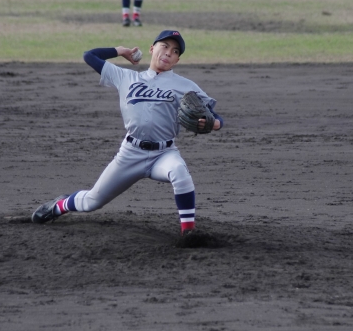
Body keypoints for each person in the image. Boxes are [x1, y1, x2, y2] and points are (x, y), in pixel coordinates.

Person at [31, 30, 223, 236]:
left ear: (177, 60)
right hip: (131, 153)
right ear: (152, 48)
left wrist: (213, 124)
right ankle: (59, 205)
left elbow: (215, 117)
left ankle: (189, 232)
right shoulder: (126, 77)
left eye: (175, 51)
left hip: (164, 154)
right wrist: (120, 51)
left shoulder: (185, 86)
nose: (169, 52)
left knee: (179, 172)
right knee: (92, 201)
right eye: (165, 46)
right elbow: (89, 56)